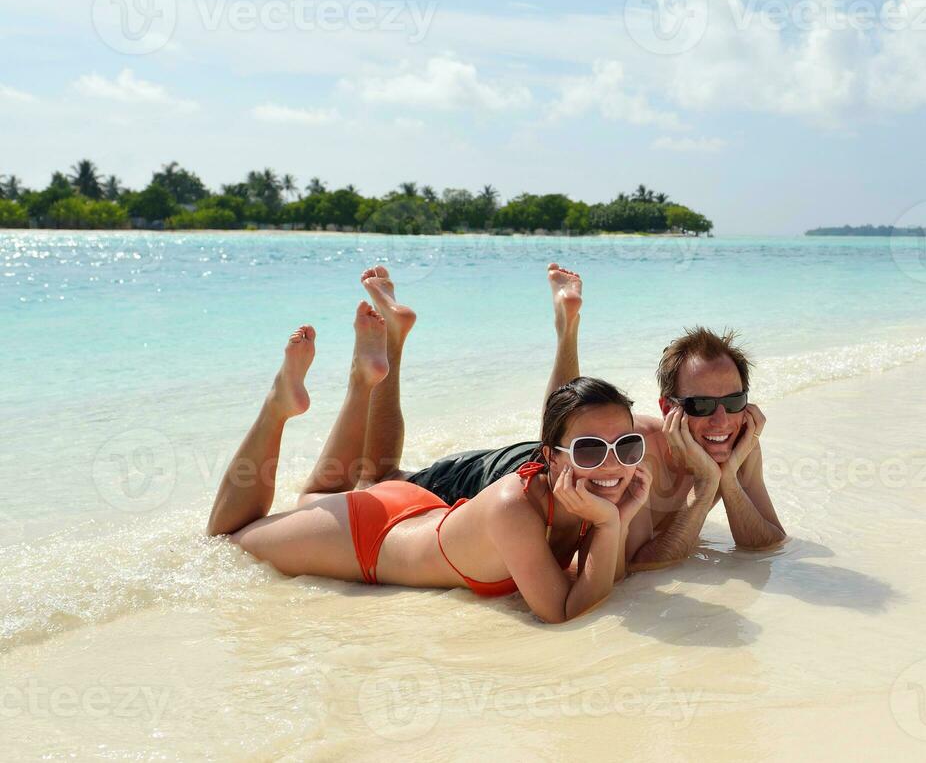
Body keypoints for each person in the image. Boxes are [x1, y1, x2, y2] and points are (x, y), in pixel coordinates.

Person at [205, 268, 651, 624]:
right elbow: (563, 613)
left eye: (628, 446)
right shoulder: (514, 505)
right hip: (371, 536)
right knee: (226, 539)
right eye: (591, 449)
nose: (614, 463)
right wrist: (612, 526)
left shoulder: (588, 494)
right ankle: (277, 406)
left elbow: (603, 582)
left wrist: (617, 517)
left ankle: (363, 378)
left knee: (319, 494)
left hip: (416, 508)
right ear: (551, 455)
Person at [404, 263, 784, 569]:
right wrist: (704, 492)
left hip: (549, 469)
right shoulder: (633, 449)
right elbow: (638, 565)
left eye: (734, 402)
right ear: (668, 408)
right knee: (383, 479)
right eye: (701, 406)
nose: (721, 421)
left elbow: (765, 545)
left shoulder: (737, 442)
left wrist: (727, 480)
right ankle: (565, 331)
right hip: (507, 475)